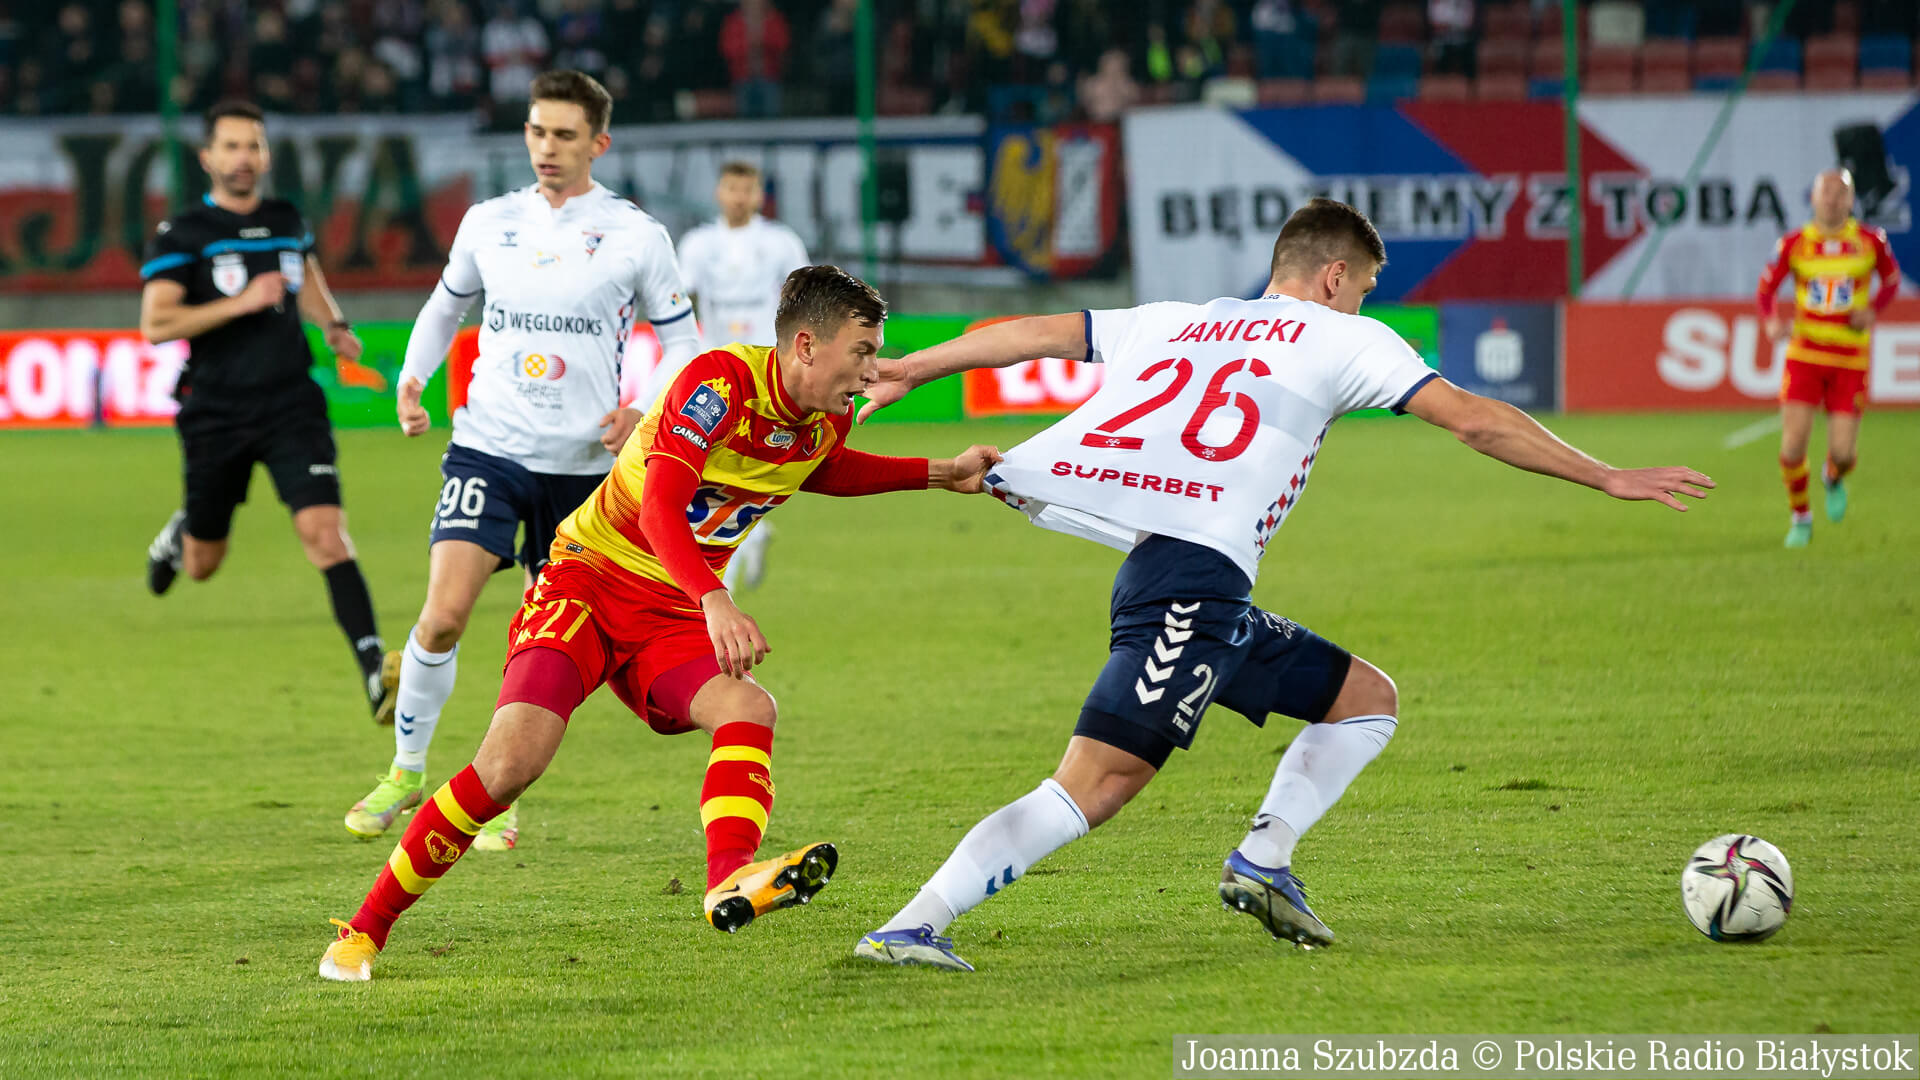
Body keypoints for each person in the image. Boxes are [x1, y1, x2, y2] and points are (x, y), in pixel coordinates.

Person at [849, 198, 1714, 971]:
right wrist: (1606, 475)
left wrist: (916, 367)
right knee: (1097, 783)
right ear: (1335, 277)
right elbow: (1476, 422)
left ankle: (1264, 860)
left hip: (1195, 582)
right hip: (1188, 586)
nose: (1363, 304)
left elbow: (1036, 333)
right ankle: (911, 925)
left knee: (1364, 700)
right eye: (1364, 288)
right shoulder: (1345, 337)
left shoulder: (1181, 321)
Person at [319, 265, 1004, 981]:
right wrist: (716, 598)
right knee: (508, 767)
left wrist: (941, 472)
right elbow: (658, 507)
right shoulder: (720, 385)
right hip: (589, 581)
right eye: (862, 352)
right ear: (807, 345)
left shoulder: (823, 420)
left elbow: (820, 468)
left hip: (670, 611)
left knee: (749, 708)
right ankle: (362, 932)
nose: (872, 371)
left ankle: (729, 879)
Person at [340, 70, 703, 852]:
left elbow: (684, 344)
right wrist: (412, 379)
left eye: (565, 134)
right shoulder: (488, 222)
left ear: (598, 143)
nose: (547, 147)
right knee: (443, 615)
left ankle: (492, 788)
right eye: (538, 131)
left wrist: (645, 408)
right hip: (489, 449)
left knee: (539, 643)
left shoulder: (636, 235)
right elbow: (446, 305)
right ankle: (405, 770)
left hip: (584, 472)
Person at [140, 99, 395, 722]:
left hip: (291, 405)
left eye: (252, 146)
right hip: (216, 411)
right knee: (204, 564)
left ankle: (375, 670)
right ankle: (181, 532)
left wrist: (334, 325)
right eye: (230, 146)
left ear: (265, 155)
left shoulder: (286, 219)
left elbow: (304, 274)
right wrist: (242, 302)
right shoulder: (183, 234)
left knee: (326, 535)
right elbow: (156, 324)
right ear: (207, 157)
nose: (243, 158)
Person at [673, 160, 811, 592]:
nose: (738, 197)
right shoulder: (698, 244)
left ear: (758, 195)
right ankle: (750, 532)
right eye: (732, 188)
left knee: (737, 464)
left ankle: (725, 569)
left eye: (747, 189)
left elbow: (805, 298)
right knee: (718, 465)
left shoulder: (781, 242)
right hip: (717, 369)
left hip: (767, 369)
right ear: (719, 192)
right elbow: (679, 299)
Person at [1757, 168, 1899, 549]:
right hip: (1805, 356)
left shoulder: (1870, 241)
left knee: (1844, 453)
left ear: (1851, 200)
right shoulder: (1794, 243)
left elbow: (1891, 280)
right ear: (1813, 197)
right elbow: (1766, 289)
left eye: (1841, 193)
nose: (1833, 200)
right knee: (1791, 447)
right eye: (1826, 192)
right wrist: (1771, 322)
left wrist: (1873, 310)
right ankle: (1801, 517)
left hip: (1850, 360)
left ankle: (1833, 475)